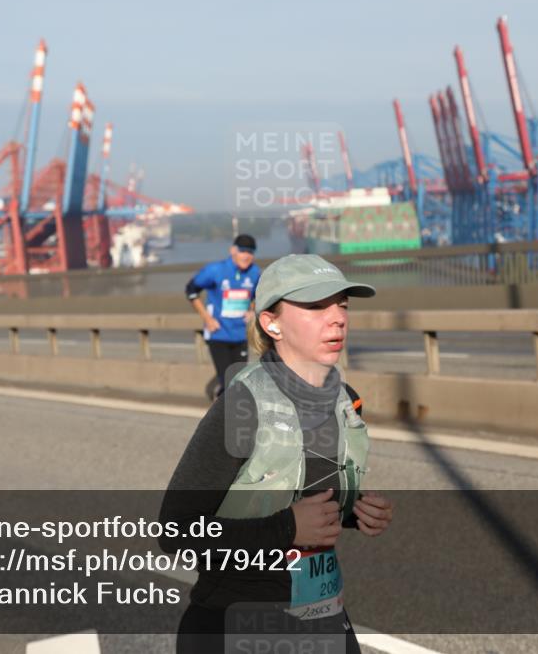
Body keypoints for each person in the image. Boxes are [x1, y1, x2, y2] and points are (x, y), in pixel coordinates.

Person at [161, 254, 394, 654]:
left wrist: (354, 511)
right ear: (272, 323)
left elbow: (302, 493)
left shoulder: (346, 401)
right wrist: (287, 528)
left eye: (342, 305)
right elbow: (176, 530)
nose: (337, 318)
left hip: (323, 613)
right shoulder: (242, 405)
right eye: (316, 306)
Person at [185, 234, 261, 398]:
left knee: (238, 380)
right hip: (218, 333)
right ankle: (222, 407)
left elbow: (257, 296)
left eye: (250, 252)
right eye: (242, 251)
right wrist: (207, 319)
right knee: (227, 380)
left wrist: (252, 310)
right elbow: (191, 291)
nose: (246, 256)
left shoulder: (255, 272)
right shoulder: (215, 271)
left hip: (241, 334)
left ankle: (222, 402)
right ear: (233, 250)